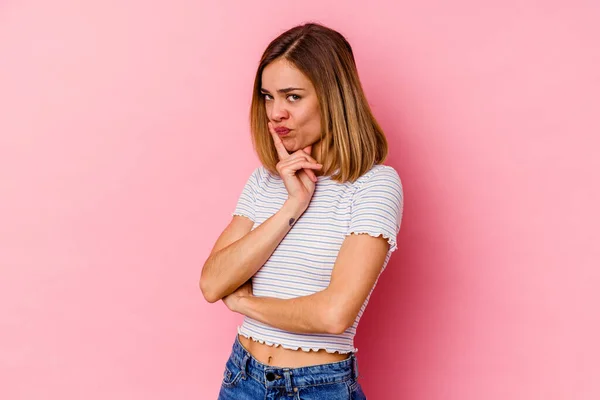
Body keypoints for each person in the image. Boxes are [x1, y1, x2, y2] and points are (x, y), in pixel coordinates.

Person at [200, 22, 404, 399]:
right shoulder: (266, 182)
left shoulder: (373, 185)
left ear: (333, 98)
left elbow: (333, 314)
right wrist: (292, 205)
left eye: (292, 97)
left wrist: (244, 302)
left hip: (317, 388)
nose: (276, 113)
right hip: (242, 379)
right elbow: (213, 282)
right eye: (267, 96)